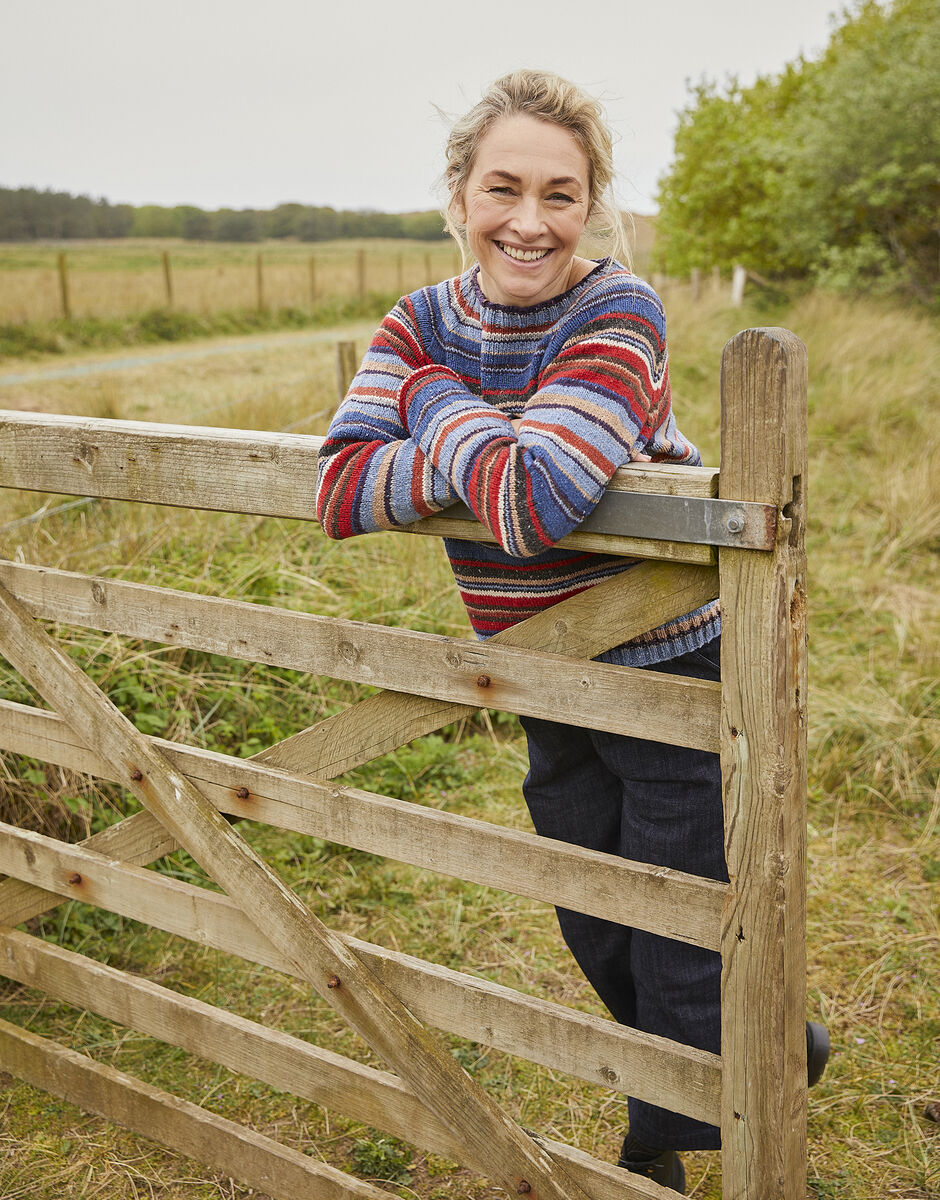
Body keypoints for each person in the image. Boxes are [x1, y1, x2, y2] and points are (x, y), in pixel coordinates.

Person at [316, 68, 737, 1193]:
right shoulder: (419, 320)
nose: (529, 220)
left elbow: (528, 501)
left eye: (561, 193)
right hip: (541, 672)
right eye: (503, 188)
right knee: (593, 912)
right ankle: (776, 1050)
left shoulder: (617, 310)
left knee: (677, 913)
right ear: (458, 194)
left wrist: (429, 400)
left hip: (668, 661)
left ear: (592, 204)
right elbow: (342, 489)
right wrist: (469, 420)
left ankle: (664, 1149)